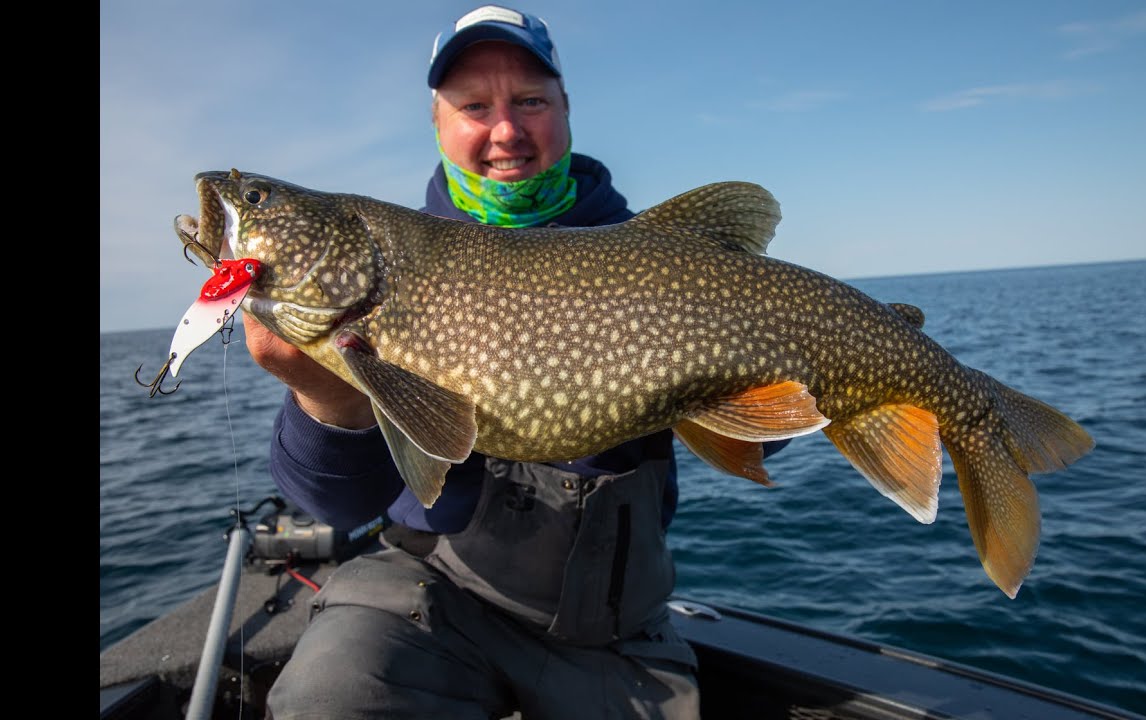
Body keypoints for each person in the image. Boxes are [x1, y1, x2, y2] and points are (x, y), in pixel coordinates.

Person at [250, 6, 785, 719]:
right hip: (428, 597)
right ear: (437, 126)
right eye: (474, 106)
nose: (506, 129)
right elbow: (339, 506)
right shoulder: (387, 273)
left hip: (613, 630)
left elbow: (764, 432)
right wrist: (328, 401)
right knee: (332, 695)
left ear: (566, 111)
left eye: (530, 100)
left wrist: (769, 402)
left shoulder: (658, 255)